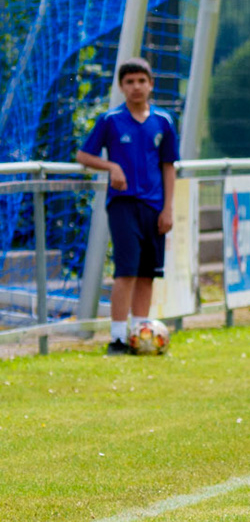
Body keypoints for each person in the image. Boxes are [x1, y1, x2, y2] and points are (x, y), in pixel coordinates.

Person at [74, 58, 179, 355]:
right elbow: (83, 155)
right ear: (121, 87)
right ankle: (118, 338)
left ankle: (141, 334)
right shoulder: (111, 120)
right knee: (126, 271)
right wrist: (111, 167)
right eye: (130, 82)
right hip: (123, 205)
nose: (136, 87)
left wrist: (168, 208)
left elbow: (169, 166)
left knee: (147, 273)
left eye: (141, 81)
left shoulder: (164, 122)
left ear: (151, 84)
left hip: (155, 206)